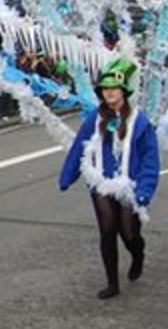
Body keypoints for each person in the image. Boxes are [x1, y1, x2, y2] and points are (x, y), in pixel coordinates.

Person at [59, 58, 160, 300]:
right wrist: (67, 175)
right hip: (101, 182)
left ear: (124, 91)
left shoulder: (140, 122)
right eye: (105, 89)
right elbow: (79, 148)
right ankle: (112, 283)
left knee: (129, 234)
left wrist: (145, 190)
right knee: (107, 230)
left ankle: (138, 254)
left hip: (129, 185)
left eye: (113, 88)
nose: (109, 93)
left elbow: (150, 160)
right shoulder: (94, 118)